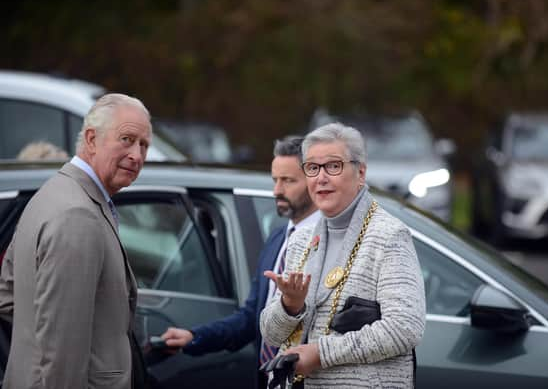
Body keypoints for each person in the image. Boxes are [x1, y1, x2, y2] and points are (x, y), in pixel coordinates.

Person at [0, 93, 151, 389]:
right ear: (92, 140)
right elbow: (61, 350)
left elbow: (8, 295)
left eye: (144, 145)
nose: (137, 155)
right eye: (127, 139)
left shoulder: (54, 192)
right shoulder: (77, 216)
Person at [260, 122, 426, 388]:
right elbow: (270, 335)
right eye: (312, 168)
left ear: (360, 172)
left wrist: (320, 354)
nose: (321, 177)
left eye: (333, 166)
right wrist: (290, 306)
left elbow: (404, 328)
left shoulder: (389, 236)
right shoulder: (301, 239)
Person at [160, 136, 321, 388]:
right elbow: (250, 318)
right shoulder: (278, 238)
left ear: (314, 182)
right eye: (275, 180)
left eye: (288, 181)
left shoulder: (329, 242)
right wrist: (194, 337)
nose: (277, 190)